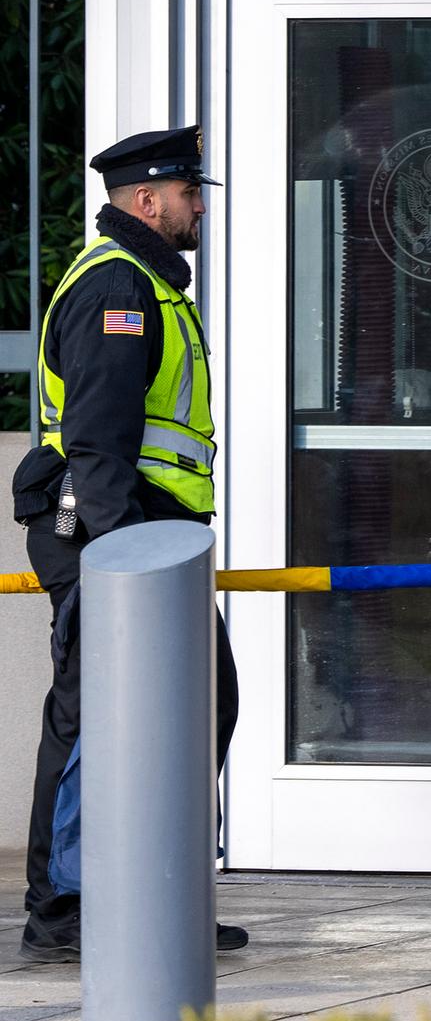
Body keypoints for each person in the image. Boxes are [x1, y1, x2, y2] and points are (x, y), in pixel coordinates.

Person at [10, 125, 247, 962]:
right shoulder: (117, 288)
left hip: (151, 539)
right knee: (92, 725)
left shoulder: (146, 282)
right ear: (146, 201)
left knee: (199, 705)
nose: (200, 209)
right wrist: (119, 569)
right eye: (190, 194)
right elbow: (99, 441)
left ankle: (160, 892)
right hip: (115, 538)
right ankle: (66, 909)